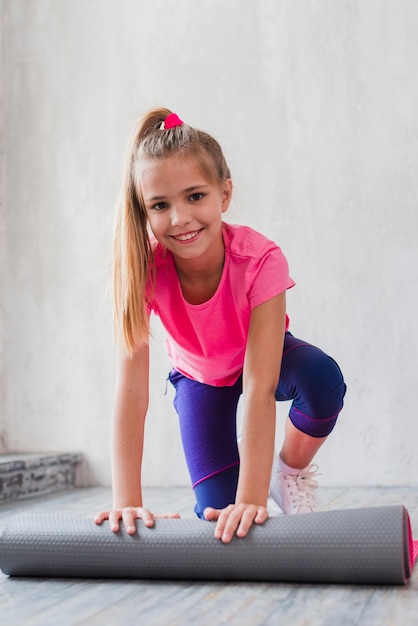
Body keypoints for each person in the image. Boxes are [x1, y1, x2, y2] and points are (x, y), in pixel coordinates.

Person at [95, 108, 346, 544]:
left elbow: (260, 386)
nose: (180, 218)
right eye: (160, 205)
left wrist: (254, 497)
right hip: (200, 379)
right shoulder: (142, 272)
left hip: (262, 363)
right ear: (145, 212)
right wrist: (127, 500)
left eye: (195, 196)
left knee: (321, 379)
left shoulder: (260, 260)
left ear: (223, 195)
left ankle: (288, 472)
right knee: (219, 515)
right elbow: (132, 390)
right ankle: (242, 487)